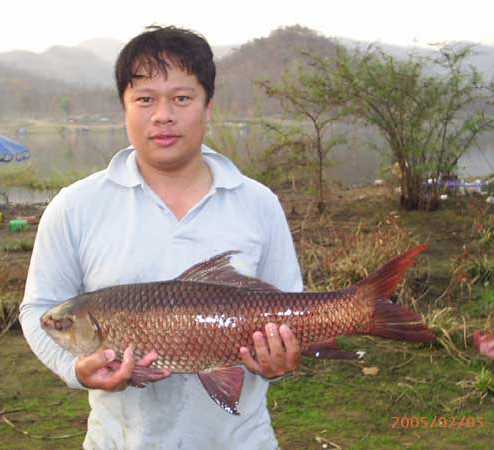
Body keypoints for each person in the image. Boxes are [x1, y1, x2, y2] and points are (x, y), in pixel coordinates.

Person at [20, 25, 303, 450]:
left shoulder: (257, 202)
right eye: (145, 99)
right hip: (121, 441)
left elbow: (291, 310)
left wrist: (281, 357)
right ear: (124, 108)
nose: (162, 115)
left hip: (242, 440)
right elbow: (39, 309)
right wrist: (73, 368)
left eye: (182, 98)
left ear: (208, 108)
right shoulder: (74, 206)